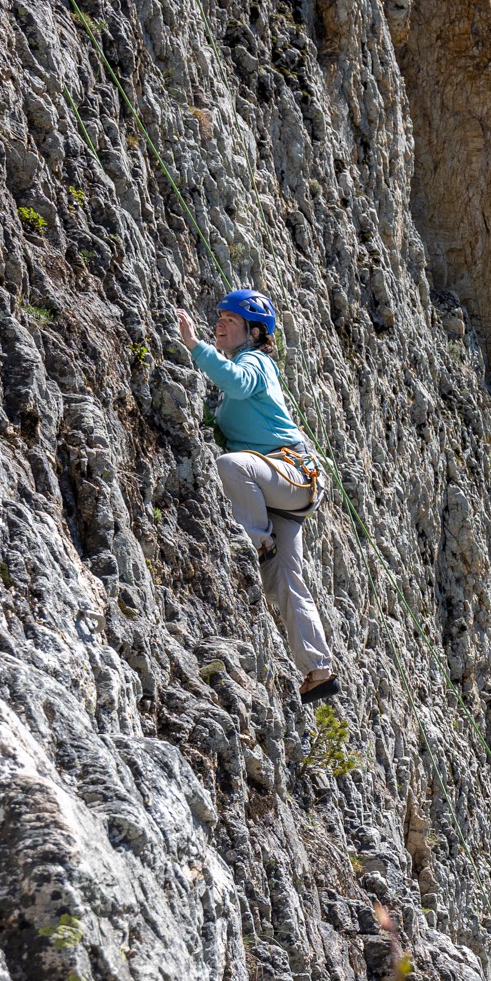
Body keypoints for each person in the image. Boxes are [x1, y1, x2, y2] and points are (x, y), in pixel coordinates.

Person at [177, 289, 340, 704]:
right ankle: (318, 671)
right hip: (279, 489)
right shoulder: (239, 367)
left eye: (230, 321)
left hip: (290, 473)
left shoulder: (256, 362)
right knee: (283, 580)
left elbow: (238, 381)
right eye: (219, 318)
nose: (220, 324)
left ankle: (258, 541)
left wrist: (195, 346)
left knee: (230, 466)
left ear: (253, 332)